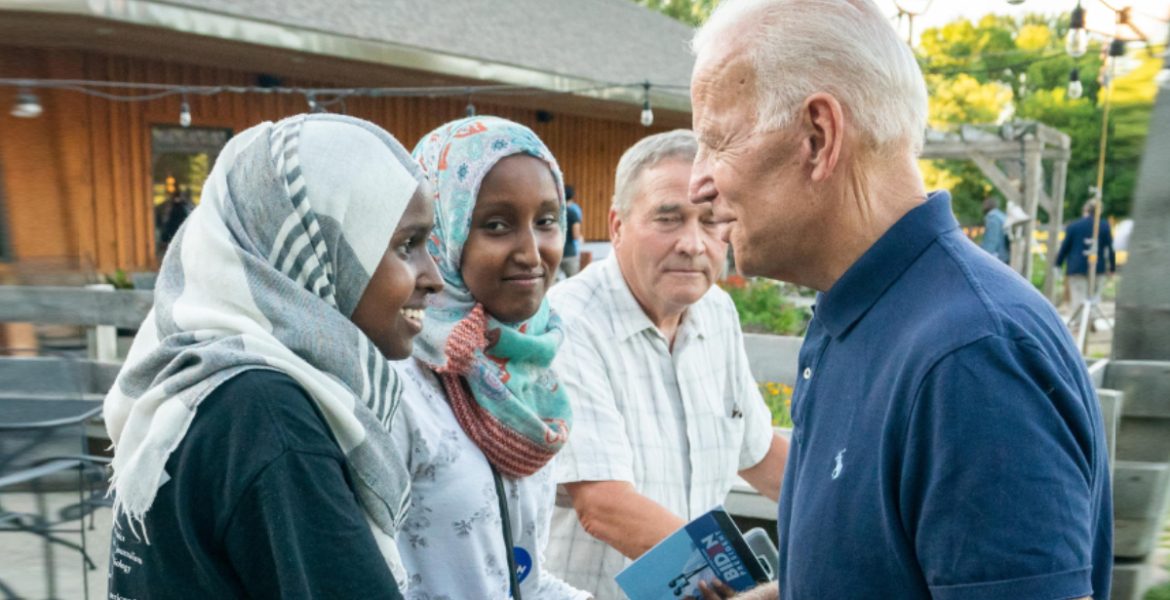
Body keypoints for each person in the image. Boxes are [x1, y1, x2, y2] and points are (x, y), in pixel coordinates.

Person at [688, 1, 1112, 599]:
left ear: (818, 137)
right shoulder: (861, 316)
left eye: (716, 141)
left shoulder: (970, 359)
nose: (696, 183)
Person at [103, 114, 442, 598]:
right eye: (407, 245)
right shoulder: (271, 419)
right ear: (318, 250)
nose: (434, 276)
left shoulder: (198, 378)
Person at [544, 129, 787, 600]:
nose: (693, 243)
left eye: (710, 220)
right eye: (668, 218)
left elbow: (759, 454)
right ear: (617, 226)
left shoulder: (715, 311)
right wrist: (741, 583)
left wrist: (860, 522)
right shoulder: (569, 321)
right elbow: (603, 506)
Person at [392, 116, 588, 599]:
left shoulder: (530, 368)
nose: (531, 252)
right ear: (439, 232)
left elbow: (521, 581)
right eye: (496, 225)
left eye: (546, 222)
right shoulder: (398, 381)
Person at [1056, 200, 1116, 312]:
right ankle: (1090, 320)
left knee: (1078, 297)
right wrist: (1112, 267)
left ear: (1085, 210)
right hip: (1098, 267)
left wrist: (1058, 264)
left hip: (1077, 267)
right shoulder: (1104, 226)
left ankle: (1079, 325)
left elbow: (1065, 247)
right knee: (1094, 297)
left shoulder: (1074, 226)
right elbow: (1110, 249)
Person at [561, 185, 585, 278]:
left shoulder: (556, 212)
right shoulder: (573, 212)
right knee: (573, 283)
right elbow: (576, 235)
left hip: (556, 253)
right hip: (569, 253)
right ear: (572, 196)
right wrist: (580, 238)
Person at [980, 196, 1011, 264]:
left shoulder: (993, 218)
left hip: (999, 256)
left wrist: (983, 257)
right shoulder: (1000, 215)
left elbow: (992, 240)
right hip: (1005, 254)